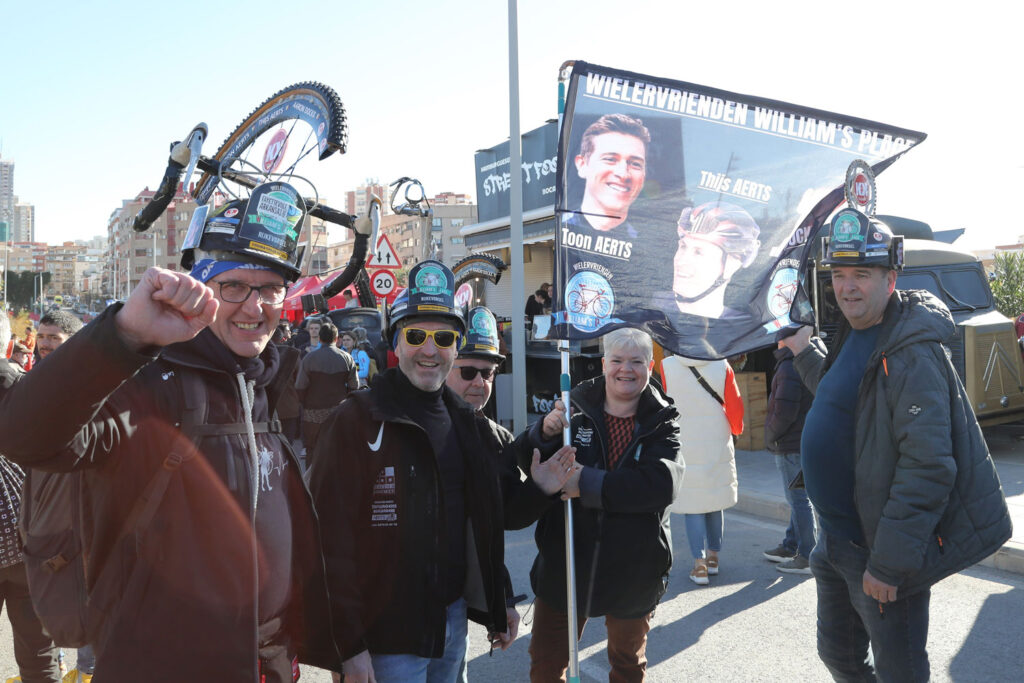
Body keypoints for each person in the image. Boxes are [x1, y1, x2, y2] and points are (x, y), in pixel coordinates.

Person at [0, 188, 347, 681]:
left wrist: (339, 646)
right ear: (202, 290)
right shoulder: (151, 385)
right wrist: (124, 335)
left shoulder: (269, 380)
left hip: (268, 660)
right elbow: (25, 437)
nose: (255, 307)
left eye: (270, 288)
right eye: (234, 288)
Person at [782, 208, 1011, 682]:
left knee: (900, 672)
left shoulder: (912, 352)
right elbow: (841, 395)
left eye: (861, 274)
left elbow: (927, 467)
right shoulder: (854, 333)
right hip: (836, 542)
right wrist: (805, 350)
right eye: (839, 274)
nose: (847, 287)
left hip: (880, 552)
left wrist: (888, 565)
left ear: (891, 278)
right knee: (840, 657)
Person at [307, 260, 522, 683]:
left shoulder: (466, 422)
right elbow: (324, 541)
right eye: (416, 335)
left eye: (443, 337)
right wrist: (347, 647)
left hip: (451, 621)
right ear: (396, 343)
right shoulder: (355, 420)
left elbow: (480, 521)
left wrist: (501, 599)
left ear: (457, 346)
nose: (429, 349)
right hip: (384, 637)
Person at [518, 327, 684, 682]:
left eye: (636, 361)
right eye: (618, 360)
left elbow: (661, 485)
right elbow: (525, 459)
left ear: (649, 366)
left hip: (633, 569)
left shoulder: (663, 420)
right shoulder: (573, 408)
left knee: (627, 667)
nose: (626, 369)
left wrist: (587, 483)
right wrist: (543, 433)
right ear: (604, 363)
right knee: (546, 665)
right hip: (566, 562)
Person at [443, 306, 578, 657]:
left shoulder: (496, 438)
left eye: (487, 373)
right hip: (401, 609)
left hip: (454, 606)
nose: (479, 382)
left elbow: (502, 519)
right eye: (468, 371)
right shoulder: (409, 427)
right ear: (444, 366)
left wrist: (540, 487)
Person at [0, 313, 63, 683]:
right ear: (11, 345)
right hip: (34, 548)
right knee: (40, 659)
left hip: (32, 552)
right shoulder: (36, 393)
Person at [660, 354, 743, 585]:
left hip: (684, 435)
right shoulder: (722, 364)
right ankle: (714, 558)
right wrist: (736, 429)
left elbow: (669, 401)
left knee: (693, 503)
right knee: (715, 496)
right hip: (716, 433)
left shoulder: (667, 366)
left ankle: (699, 565)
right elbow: (734, 404)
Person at [762, 326, 816, 574]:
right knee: (800, 498)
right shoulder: (808, 356)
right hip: (803, 439)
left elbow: (784, 411)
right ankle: (791, 544)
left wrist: (770, 436)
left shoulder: (789, 365)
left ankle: (806, 555)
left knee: (798, 500)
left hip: (791, 442)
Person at [668, 202, 761, 318]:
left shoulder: (745, 327)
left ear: (731, 264)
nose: (681, 260)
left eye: (698, 252)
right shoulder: (648, 309)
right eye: (683, 246)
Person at [295, 321, 358, 461]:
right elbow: (355, 386)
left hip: (313, 413)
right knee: (339, 449)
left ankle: (312, 480)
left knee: (312, 450)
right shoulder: (347, 358)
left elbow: (300, 386)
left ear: (320, 338)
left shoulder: (309, 359)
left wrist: (305, 403)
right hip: (339, 411)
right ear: (336, 339)